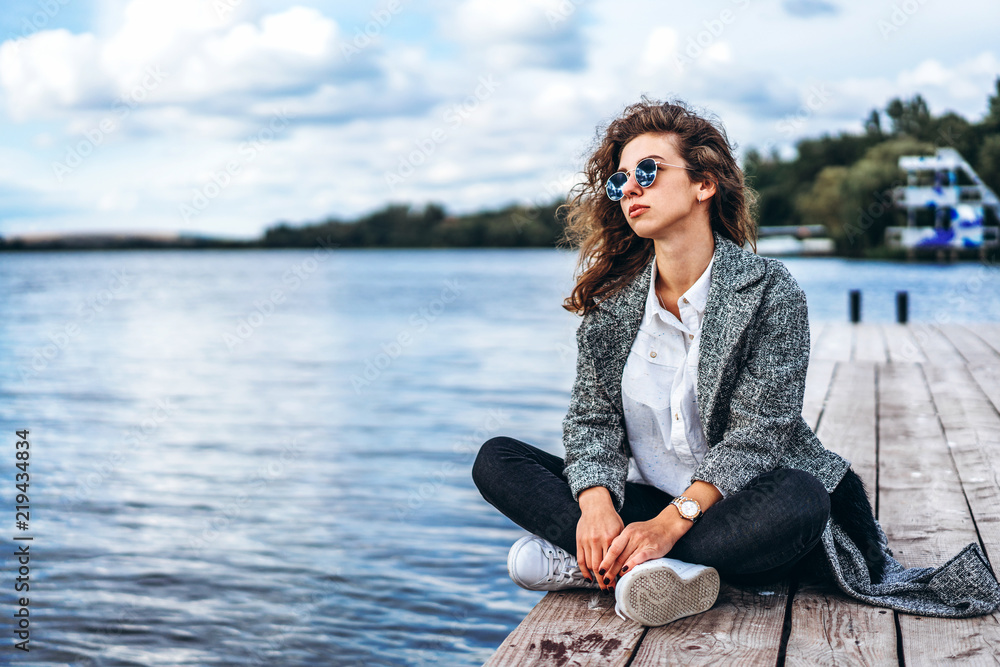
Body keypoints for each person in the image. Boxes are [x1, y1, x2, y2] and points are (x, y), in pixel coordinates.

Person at [472, 98, 1000, 627]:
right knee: (498, 459)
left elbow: (761, 435)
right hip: (653, 504)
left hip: (742, 506)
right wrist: (594, 505)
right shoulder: (611, 313)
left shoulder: (770, 291)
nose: (630, 188)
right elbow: (593, 421)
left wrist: (673, 522)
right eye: (619, 180)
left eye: (648, 171)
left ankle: (612, 565)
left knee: (802, 498)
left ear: (704, 185)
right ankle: (649, 566)